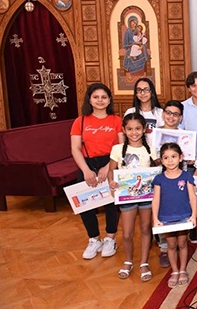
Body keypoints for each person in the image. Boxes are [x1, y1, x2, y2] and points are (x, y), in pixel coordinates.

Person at [70, 83, 124, 260]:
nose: (100, 100)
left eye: (104, 97)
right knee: (85, 204)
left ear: (109, 100)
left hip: (111, 161)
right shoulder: (81, 121)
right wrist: (85, 170)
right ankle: (94, 239)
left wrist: (108, 166)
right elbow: (75, 148)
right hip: (86, 164)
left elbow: (122, 147)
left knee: (111, 204)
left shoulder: (117, 120)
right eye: (96, 97)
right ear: (90, 99)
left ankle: (110, 238)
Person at [108, 113, 157, 281]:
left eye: (137, 128)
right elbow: (111, 171)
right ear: (124, 130)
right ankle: (128, 261)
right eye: (129, 129)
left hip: (146, 197)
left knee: (145, 229)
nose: (134, 132)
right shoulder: (117, 149)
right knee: (127, 233)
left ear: (144, 129)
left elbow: (157, 170)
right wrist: (112, 183)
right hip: (126, 197)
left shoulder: (150, 149)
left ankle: (143, 262)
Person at [152, 143, 197, 288]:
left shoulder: (187, 176)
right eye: (166, 157)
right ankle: (175, 271)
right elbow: (156, 199)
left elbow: (192, 197)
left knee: (182, 243)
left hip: (184, 216)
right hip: (166, 218)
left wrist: (194, 215)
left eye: (173, 156)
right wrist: (155, 219)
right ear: (161, 160)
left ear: (180, 157)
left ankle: (183, 269)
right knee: (171, 245)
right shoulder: (159, 179)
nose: (170, 160)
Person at [154, 100, 184, 267]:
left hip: (178, 181)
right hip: (160, 180)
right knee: (162, 212)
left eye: (176, 114)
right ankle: (164, 248)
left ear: (180, 117)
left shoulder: (185, 136)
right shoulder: (154, 134)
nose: (171, 117)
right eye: (168, 112)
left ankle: (180, 244)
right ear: (163, 113)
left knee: (178, 209)